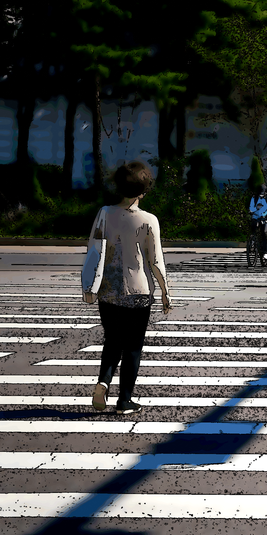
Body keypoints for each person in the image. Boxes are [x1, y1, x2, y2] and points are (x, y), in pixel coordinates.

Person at [83, 161, 172, 414]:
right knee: (133, 346)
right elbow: (155, 261)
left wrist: (88, 287)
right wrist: (165, 291)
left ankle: (103, 382)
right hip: (139, 292)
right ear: (143, 190)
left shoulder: (104, 213)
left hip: (108, 290)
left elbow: (93, 250)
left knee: (112, 340)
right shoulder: (149, 220)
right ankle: (125, 400)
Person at [248, 182, 267, 262]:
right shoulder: (255, 198)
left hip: (266, 219)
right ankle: (252, 241)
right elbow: (251, 207)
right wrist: (252, 211)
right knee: (253, 227)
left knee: (264, 233)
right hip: (256, 217)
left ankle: (265, 253)